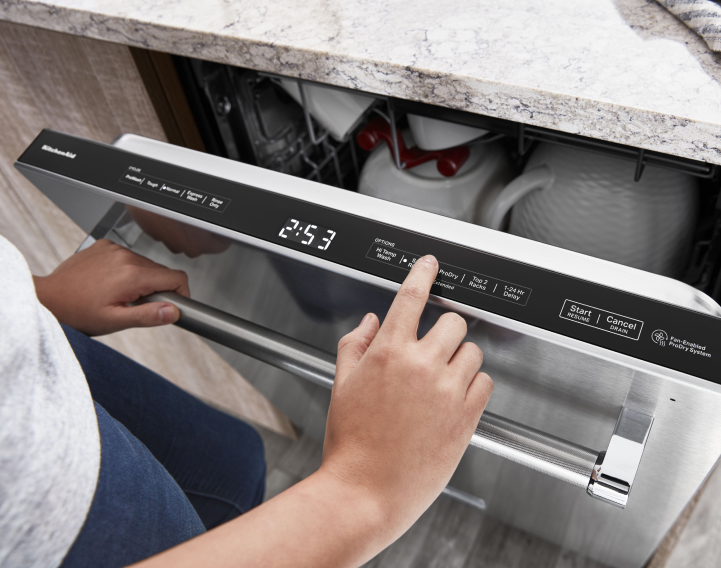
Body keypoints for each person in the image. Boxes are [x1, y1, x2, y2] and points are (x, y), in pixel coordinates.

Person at [0, 233, 492, 568]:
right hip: (50, 537)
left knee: (232, 463)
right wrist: (361, 494)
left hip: (29, 356)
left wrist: (34, 297)